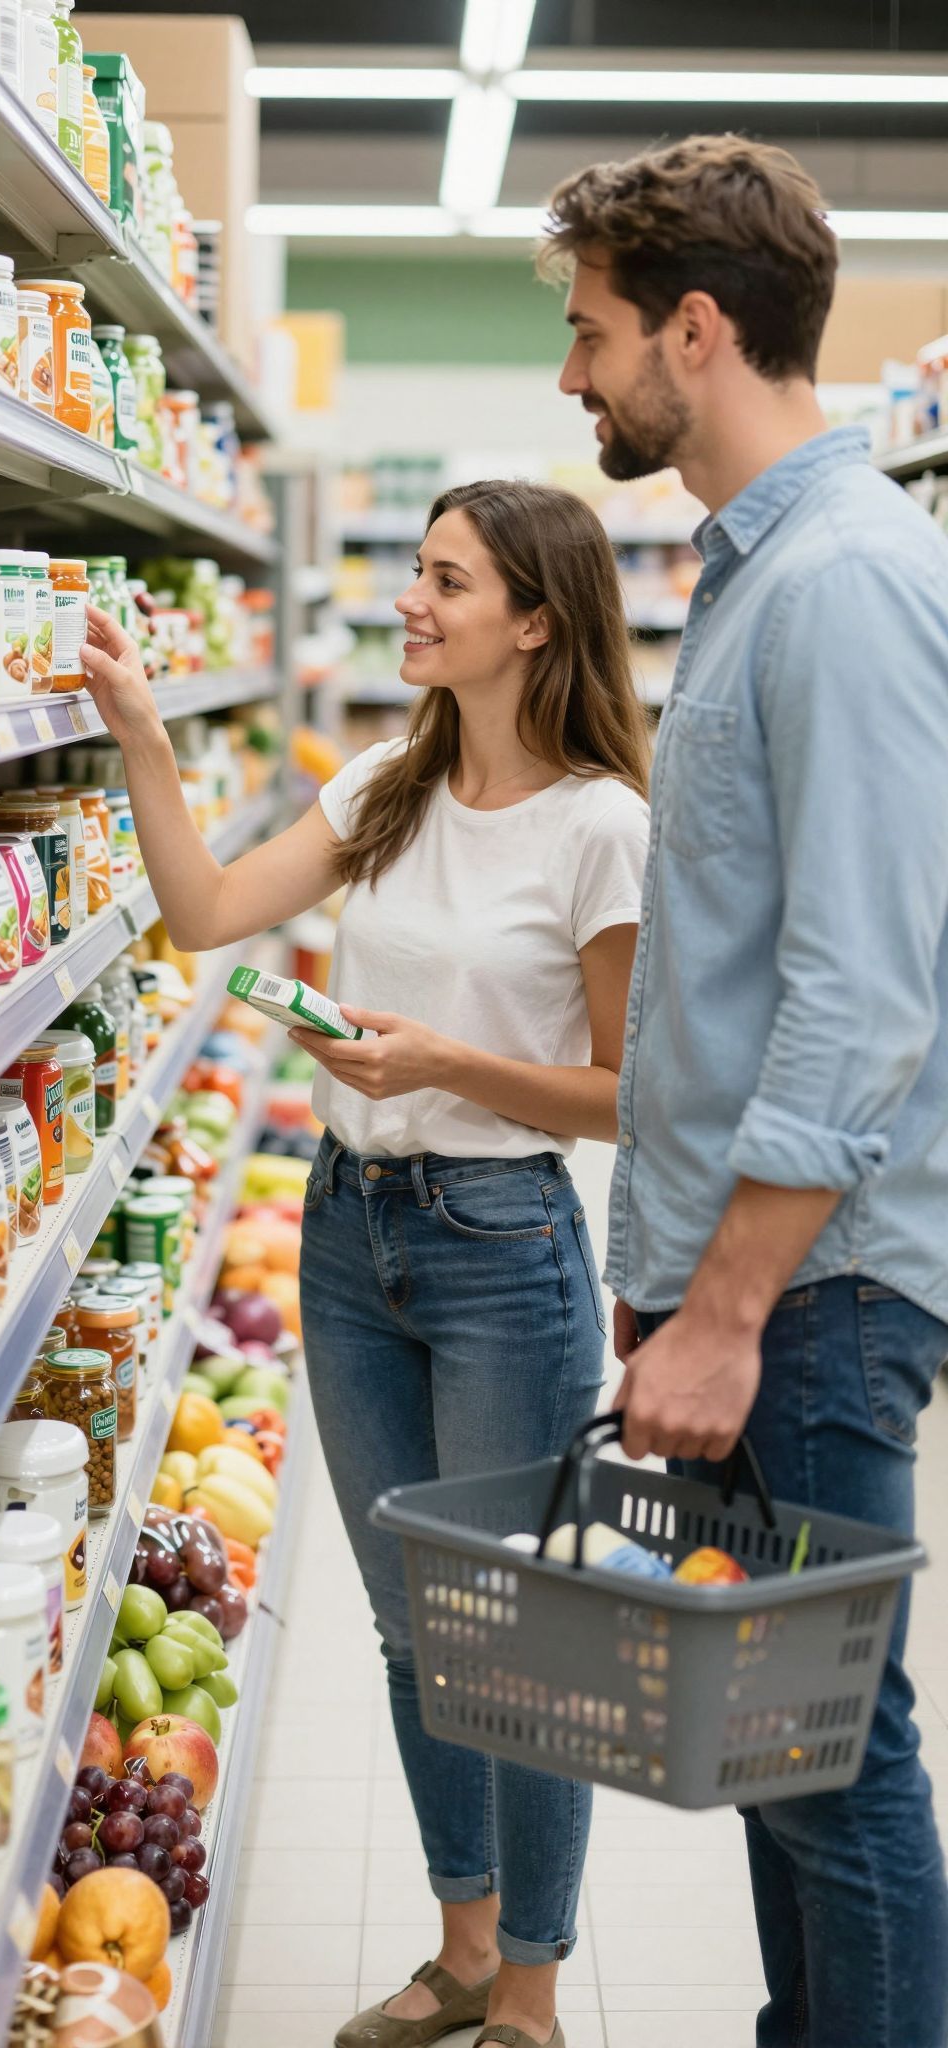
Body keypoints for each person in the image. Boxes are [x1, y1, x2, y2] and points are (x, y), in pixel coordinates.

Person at [78, 478, 652, 2048]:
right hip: (349, 1234)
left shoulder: (603, 826)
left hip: (499, 1249)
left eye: (443, 580)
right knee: (419, 1633)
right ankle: (461, 1950)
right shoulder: (389, 780)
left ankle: (530, 1986)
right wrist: (139, 727)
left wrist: (449, 1068)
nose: (408, 600)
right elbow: (201, 913)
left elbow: (628, 1094)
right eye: (414, 571)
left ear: (533, 620)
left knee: (517, 1644)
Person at [545, 134, 948, 2048]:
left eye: (593, 332)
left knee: (836, 1761)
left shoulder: (852, 585)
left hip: (817, 1296)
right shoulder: (765, 573)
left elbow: (862, 992)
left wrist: (724, 1310)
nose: (575, 377)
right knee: (776, 1759)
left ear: (697, 332)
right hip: (756, 1282)